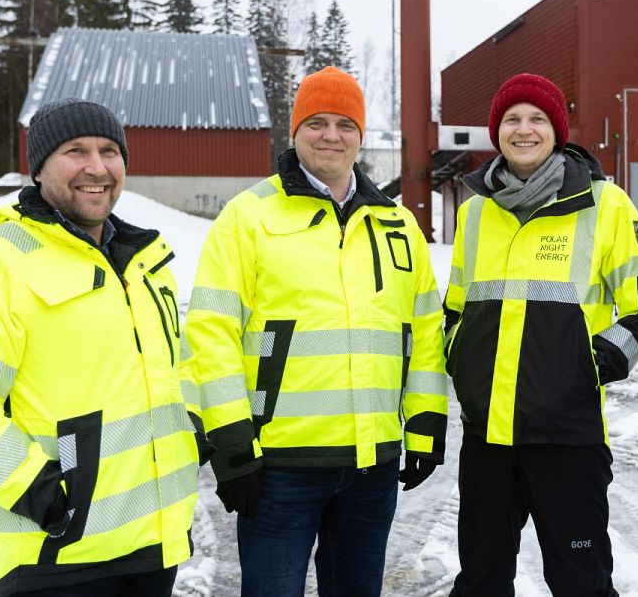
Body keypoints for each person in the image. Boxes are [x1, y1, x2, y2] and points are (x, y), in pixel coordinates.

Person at [0, 98, 207, 596]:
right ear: (39, 167)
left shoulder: (142, 264)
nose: (97, 167)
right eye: (76, 151)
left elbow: (174, 367)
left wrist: (191, 426)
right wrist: (42, 494)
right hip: (56, 560)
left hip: (154, 546)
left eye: (109, 151)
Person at [186, 65, 448, 596]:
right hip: (279, 467)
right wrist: (232, 444)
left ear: (360, 135)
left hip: (372, 466)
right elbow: (210, 334)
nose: (331, 135)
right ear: (295, 131)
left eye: (345, 124)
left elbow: (421, 333)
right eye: (317, 122)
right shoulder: (249, 217)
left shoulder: (396, 225)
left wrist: (425, 423)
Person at [444, 73, 638, 596]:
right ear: (497, 132)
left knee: (580, 583)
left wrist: (586, 368)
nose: (524, 129)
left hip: (569, 439)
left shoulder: (605, 206)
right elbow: (455, 309)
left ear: (557, 130)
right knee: (480, 581)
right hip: (487, 439)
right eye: (512, 120)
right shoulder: (475, 210)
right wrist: (463, 359)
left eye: (537, 118)